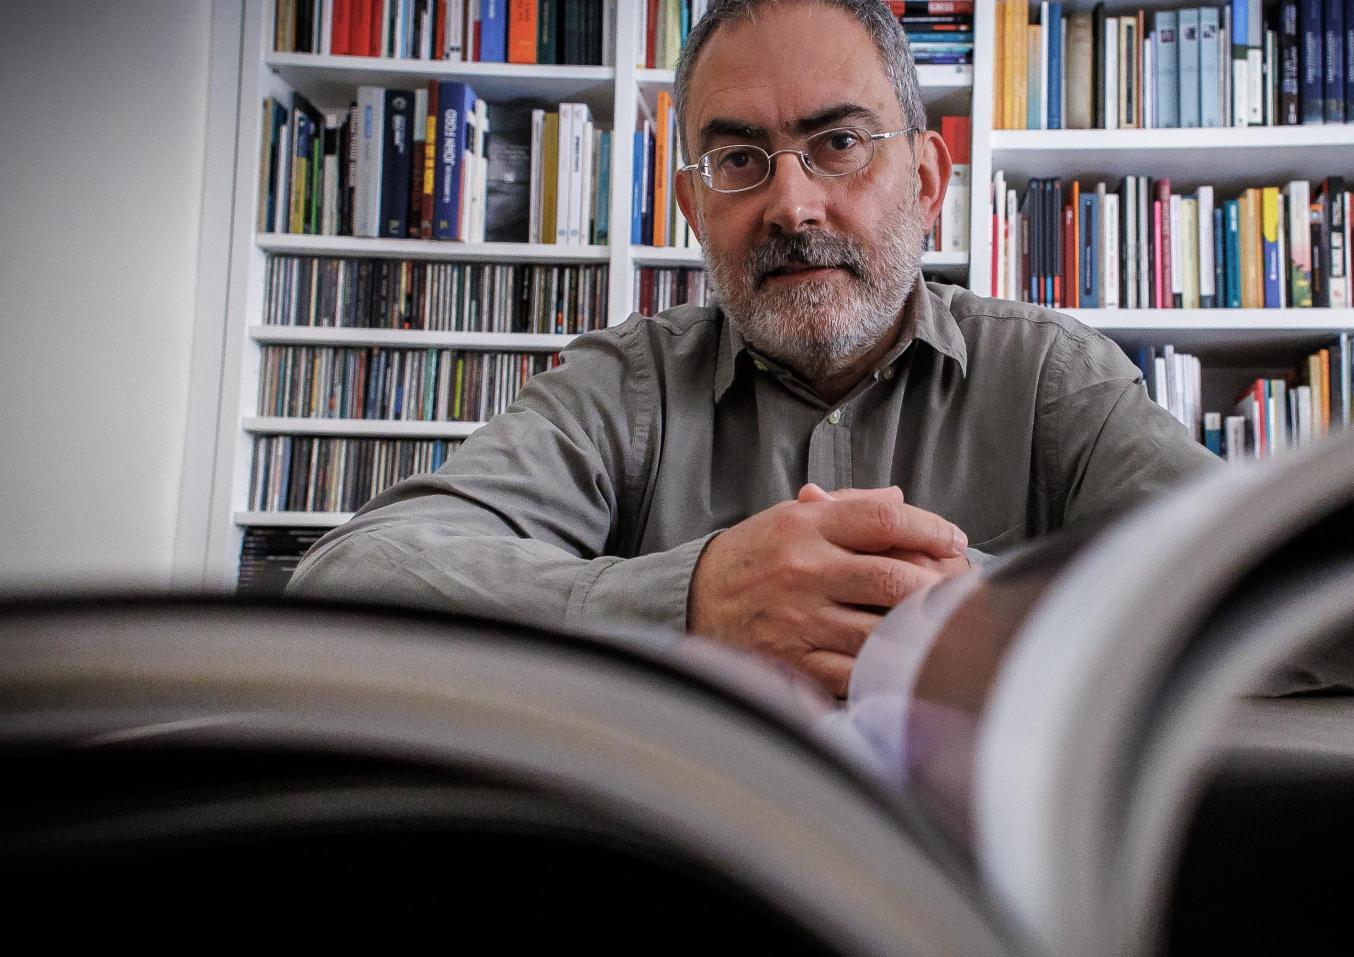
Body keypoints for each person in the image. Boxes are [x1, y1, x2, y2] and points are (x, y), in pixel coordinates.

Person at [288, 0, 1219, 696]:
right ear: (695, 207)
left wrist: (1010, 613)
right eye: (738, 161)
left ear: (928, 181)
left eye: (841, 143)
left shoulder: (1054, 378)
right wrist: (692, 604)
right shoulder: (624, 387)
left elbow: (1297, 595)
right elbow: (350, 579)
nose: (792, 205)